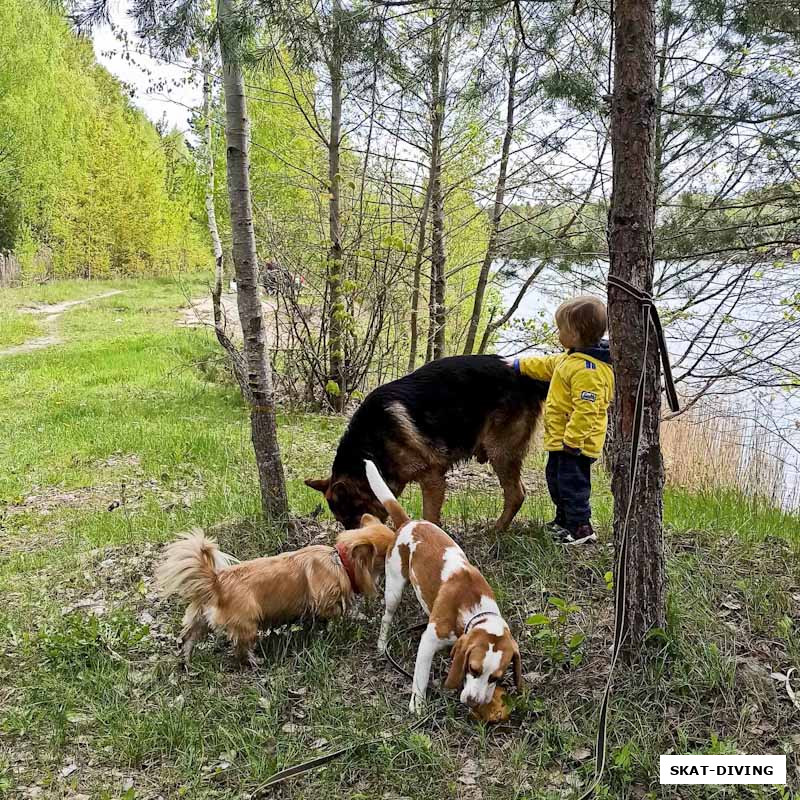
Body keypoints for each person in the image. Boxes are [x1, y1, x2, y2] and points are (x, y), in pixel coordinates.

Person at [511, 295, 614, 544]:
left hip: (575, 445)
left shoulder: (589, 371)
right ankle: (563, 521)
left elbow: (586, 410)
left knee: (573, 487)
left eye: (561, 329)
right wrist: (517, 364)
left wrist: (573, 440)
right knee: (557, 482)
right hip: (561, 441)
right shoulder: (571, 358)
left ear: (576, 333)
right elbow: (547, 364)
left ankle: (581, 528)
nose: (558, 334)